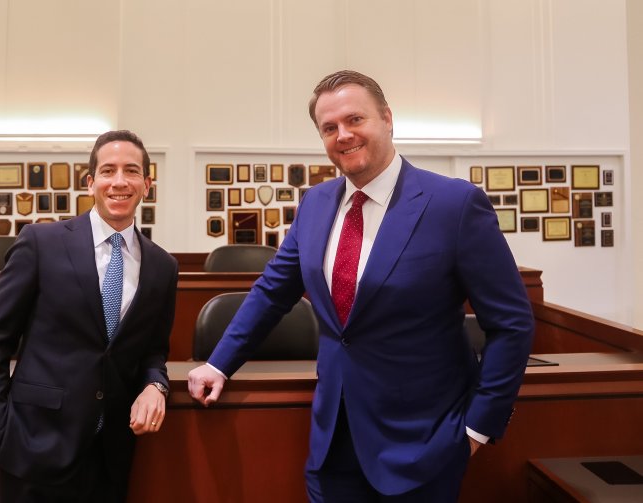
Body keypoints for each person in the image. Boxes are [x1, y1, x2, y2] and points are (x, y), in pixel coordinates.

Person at [187, 70, 534, 502]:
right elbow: (274, 290)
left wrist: (479, 426)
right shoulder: (316, 203)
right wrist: (219, 364)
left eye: (356, 120)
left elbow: (512, 323)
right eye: (329, 127)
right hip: (332, 442)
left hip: (423, 445)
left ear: (387, 119)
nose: (343, 135)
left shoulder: (454, 205)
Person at [0, 130, 178, 502]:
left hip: (111, 453)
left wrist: (155, 385)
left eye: (131, 171)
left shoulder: (163, 266)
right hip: (33, 445)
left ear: (147, 184)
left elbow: (152, 351)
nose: (119, 182)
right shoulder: (40, 243)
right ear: (90, 183)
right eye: (108, 171)